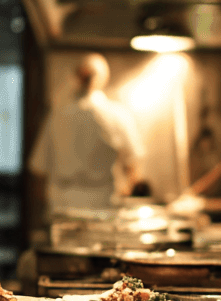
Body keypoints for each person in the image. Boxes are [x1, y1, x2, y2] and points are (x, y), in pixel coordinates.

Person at [28, 54, 147, 212]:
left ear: (77, 77)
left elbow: (39, 167)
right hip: (103, 204)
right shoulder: (117, 114)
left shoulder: (57, 116)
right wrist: (130, 190)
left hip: (63, 204)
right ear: (103, 78)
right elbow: (132, 161)